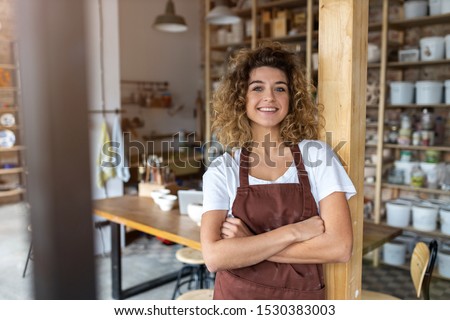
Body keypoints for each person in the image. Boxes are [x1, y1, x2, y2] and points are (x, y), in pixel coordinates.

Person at [201, 42, 356, 300]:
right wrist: (294, 232)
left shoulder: (317, 156)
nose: (269, 97)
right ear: (241, 99)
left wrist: (248, 242)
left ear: (291, 99)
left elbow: (340, 247)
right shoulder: (222, 170)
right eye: (257, 88)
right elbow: (214, 257)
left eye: (280, 88)